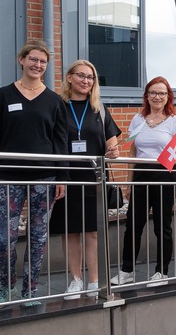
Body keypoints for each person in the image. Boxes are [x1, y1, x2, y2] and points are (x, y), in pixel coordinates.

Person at [0, 39, 68, 307]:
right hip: (8, 178)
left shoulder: (54, 101)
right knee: (4, 238)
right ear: (22, 60)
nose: (37, 65)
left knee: (38, 237)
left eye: (42, 61)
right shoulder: (3, 95)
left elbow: (60, 143)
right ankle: (6, 287)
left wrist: (62, 178)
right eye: (33, 59)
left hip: (45, 178)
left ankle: (30, 289)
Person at [50, 60, 121, 299]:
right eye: (80, 75)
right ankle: (75, 280)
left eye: (90, 77)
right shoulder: (57, 106)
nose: (85, 81)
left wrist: (113, 151)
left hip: (93, 177)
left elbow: (112, 143)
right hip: (66, 176)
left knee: (92, 232)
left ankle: (93, 280)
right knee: (70, 231)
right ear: (69, 77)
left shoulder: (98, 109)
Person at [111, 77, 176, 287]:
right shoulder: (137, 120)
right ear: (147, 95)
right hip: (141, 174)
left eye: (162, 93)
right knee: (133, 224)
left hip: (164, 173)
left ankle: (162, 271)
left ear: (168, 96)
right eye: (153, 92)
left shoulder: (174, 120)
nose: (157, 97)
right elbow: (133, 150)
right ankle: (127, 270)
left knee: (163, 226)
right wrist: (128, 182)